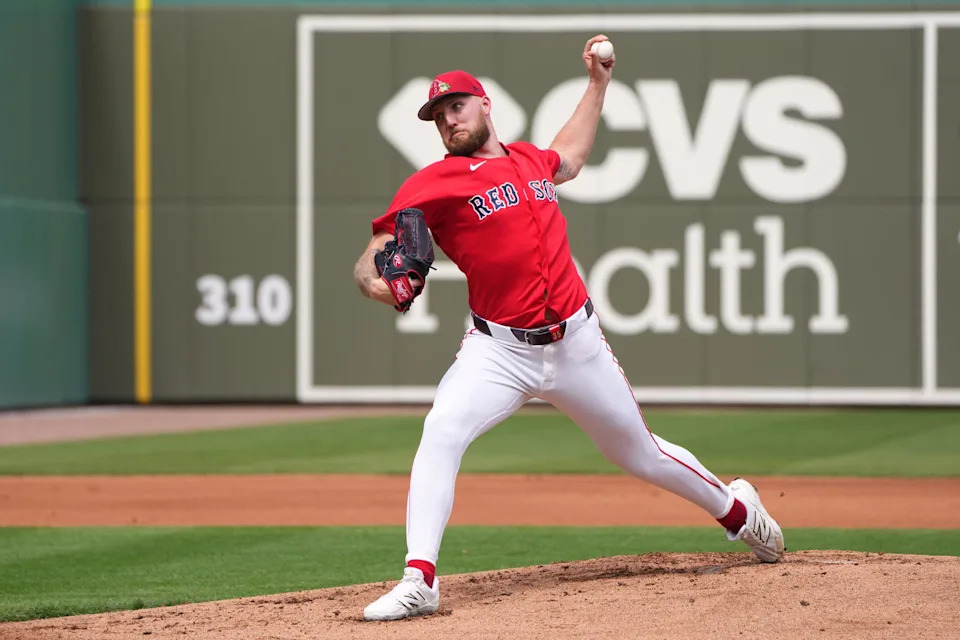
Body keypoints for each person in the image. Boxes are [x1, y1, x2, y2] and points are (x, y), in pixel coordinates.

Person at [353, 35, 784, 622]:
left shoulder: (531, 161)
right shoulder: (433, 184)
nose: (447, 119)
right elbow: (375, 250)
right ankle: (420, 578)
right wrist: (378, 283)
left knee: (641, 454)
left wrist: (599, 83)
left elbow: (571, 156)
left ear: (483, 103)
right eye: (437, 114)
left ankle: (738, 512)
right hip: (499, 350)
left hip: (577, 344)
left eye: (456, 105)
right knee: (442, 429)